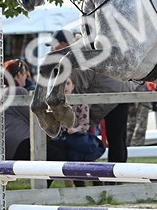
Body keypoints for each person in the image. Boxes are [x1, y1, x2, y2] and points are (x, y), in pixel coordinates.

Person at [51, 28, 133, 163]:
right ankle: (117, 178)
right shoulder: (85, 48)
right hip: (121, 89)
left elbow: (77, 90)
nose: (53, 49)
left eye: (55, 45)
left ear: (65, 44)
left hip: (109, 93)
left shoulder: (75, 56)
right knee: (118, 138)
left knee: (86, 135)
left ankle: (103, 175)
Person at [2, 59, 31, 160]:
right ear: (19, 74)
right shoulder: (19, 91)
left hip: (3, 144)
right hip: (21, 142)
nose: (26, 77)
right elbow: (32, 117)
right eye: (24, 74)